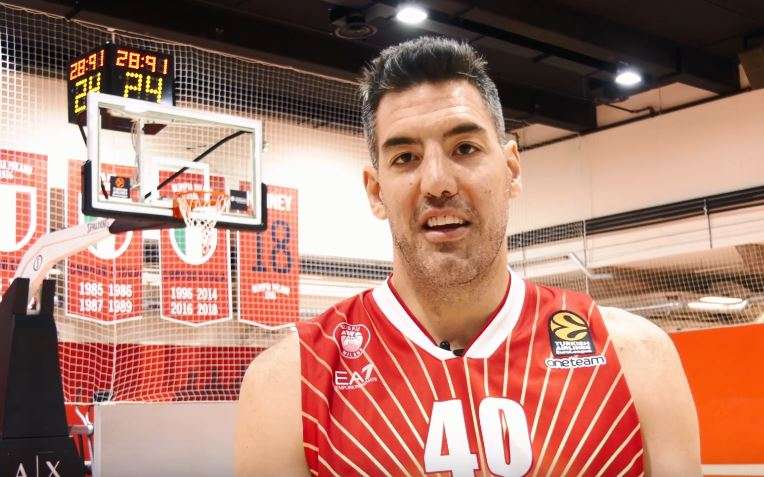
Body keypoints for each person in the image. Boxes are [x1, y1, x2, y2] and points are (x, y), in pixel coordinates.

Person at [235, 36, 701, 476]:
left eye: (465, 148)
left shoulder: (636, 358)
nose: (438, 183)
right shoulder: (290, 384)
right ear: (376, 192)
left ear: (511, 169)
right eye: (405, 157)